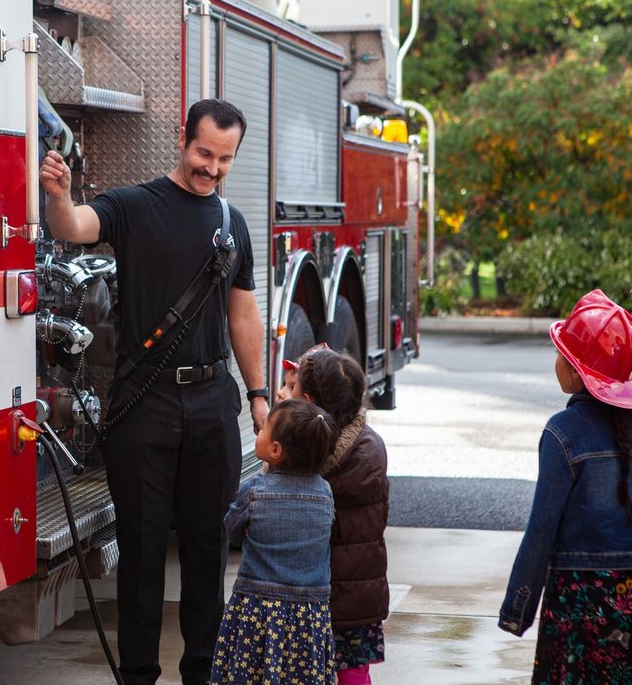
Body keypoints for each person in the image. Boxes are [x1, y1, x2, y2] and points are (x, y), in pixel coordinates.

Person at [40, 98, 268, 685]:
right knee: (141, 556)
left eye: (224, 159)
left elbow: (243, 318)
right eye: (203, 153)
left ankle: (203, 674)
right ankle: (137, 676)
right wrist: (60, 195)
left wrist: (259, 395)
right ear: (182, 137)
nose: (211, 168)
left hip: (214, 402)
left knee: (205, 550)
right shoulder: (133, 205)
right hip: (146, 403)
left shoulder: (230, 223)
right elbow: (73, 227)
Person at [498, 290, 632, 683]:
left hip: (576, 608)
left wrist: (518, 609)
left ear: (576, 369)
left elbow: (541, 529)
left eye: (561, 353)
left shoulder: (561, 433)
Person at [210, 399, 337, 685]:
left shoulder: (255, 490)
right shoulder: (325, 493)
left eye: (264, 429)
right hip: (309, 614)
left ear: (275, 450)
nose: (258, 433)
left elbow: (230, 528)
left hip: (257, 609)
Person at [291, 348, 388, 685]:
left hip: (315, 594)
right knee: (353, 671)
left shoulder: (305, 456)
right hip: (360, 598)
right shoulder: (370, 447)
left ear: (306, 400)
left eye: (292, 392)